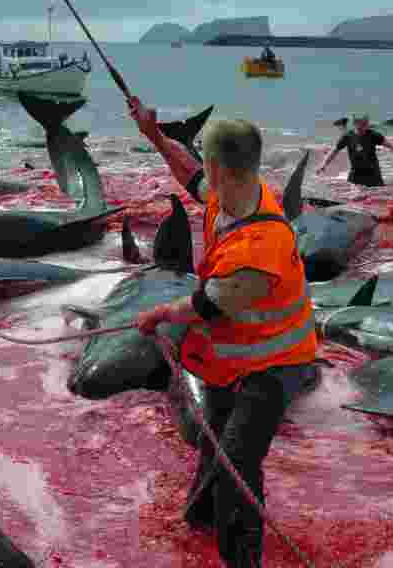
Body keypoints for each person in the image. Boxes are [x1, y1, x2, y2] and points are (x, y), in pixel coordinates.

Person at [128, 95, 319, 568]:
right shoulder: (236, 193)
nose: (202, 173)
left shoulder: (262, 243)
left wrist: (159, 315)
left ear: (221, 169)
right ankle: (201, 521)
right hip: (234, 357)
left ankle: (242, 558)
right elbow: (189, 172)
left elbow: (208, 306)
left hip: (276, 365)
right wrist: (154, 136)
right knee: (214, 440)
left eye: (207, 164)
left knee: (237, 465)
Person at [316, 113, 393, 187]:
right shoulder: (347, 136)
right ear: (354, 123)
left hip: (373, 174)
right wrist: (323, 164)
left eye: (365, 124)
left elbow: (390, 144)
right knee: (353, 199)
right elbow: (334, 151)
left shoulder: (373, 135)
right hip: (355, 175)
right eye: (361, 124)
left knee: (377, 198)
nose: (364, 126)